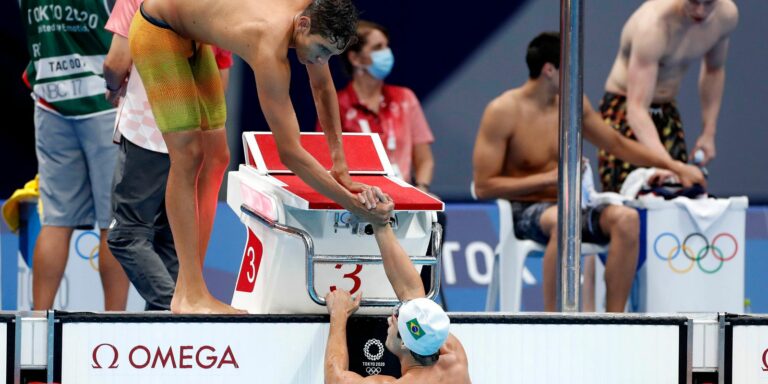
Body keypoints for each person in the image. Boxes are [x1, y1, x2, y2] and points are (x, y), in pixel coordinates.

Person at [128, 0, 387, 314]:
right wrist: (353, 205)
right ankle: (191, 295)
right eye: (320, 51)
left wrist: (340, 165)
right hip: (158, 29)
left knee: (216, 157)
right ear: (303, 25)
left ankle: (187, 288)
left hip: (193, 34)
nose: (321, 60)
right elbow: (290, 153)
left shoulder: (315, 16)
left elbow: (322, 88)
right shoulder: (269, 45)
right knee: (188, 156)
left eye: (329, 55)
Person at [472, 32, 705, 312]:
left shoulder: (573, 103)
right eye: (571, 67)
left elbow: (616, 143)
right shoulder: (503, 111)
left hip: (572, 205)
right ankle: (553, 322)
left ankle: (614, 322)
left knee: (626, 220)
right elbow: (484, 186)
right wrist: (548, 179)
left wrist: (675, 166)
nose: (578, 75)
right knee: (565, 221)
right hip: (526, 210)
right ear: (549, 69)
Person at [102, 0, 234, 310]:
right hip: (195, 136)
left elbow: (116, 62)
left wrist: (112, 87)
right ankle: (176, 322)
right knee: (169, 242)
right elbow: (220, 80)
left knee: (126, 235)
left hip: (149, 130)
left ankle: (172, 306)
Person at [21, 0, 129, 310]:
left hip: (50, 104)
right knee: (114, 222)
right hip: (105, 104)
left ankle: (38, 325)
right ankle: (113, 326)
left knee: (56, 220)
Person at [324, 191, 471, 383]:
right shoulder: (456, 363)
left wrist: (338, 314)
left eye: (397, 318)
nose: (390, 319)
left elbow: (335, 379)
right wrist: (381, 225)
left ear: (404, 343)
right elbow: (412, 295)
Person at [598, 0, 739, 192]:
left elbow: (714, 70)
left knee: (680, 188)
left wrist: (708, 133)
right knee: (627, 197)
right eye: (694, 2)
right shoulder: (653, 25)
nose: (700, 11)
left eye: (708, 3)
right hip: (626, 108)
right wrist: (669, 164)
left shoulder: (726, 16)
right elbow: (636, 109)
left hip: (666, 109)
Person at [317, 20, 435, 190]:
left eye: (387, 46)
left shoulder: (405, 98)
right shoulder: (335, 104)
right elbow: (326, 161)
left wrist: (422, 189)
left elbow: (425, 160)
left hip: (405, 197)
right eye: (378, 48)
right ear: (355, 58)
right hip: (359, 198)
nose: (387, 53)